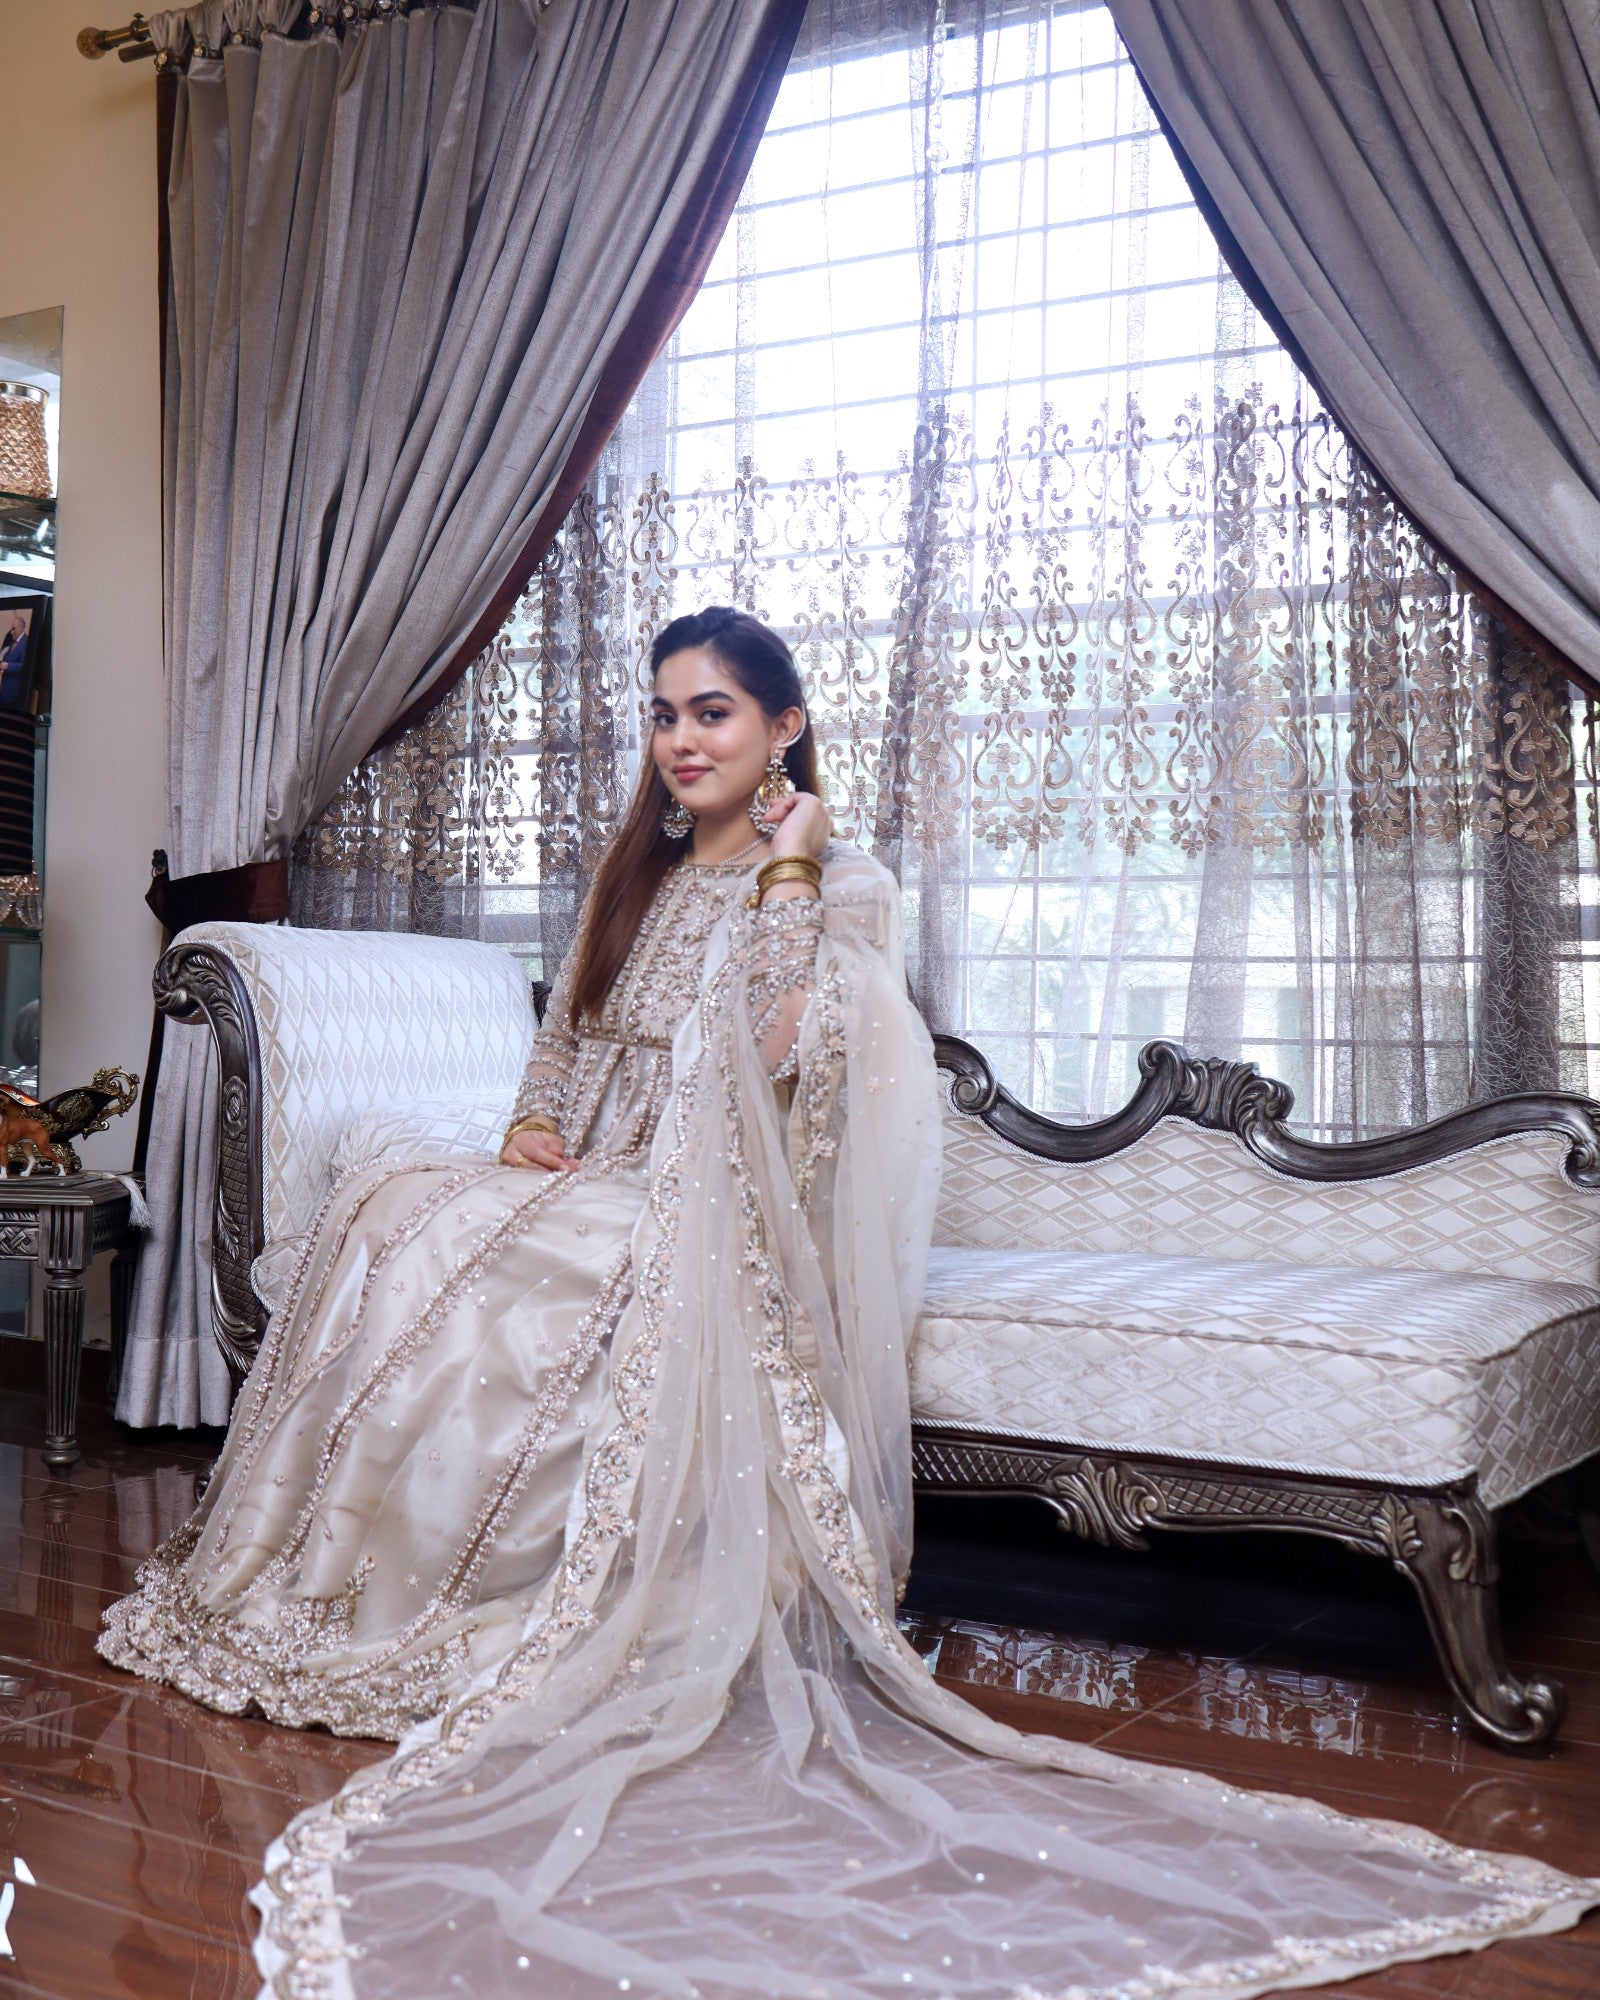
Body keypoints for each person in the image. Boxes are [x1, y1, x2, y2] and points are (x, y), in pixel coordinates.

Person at [102, 609, 1597, 1999]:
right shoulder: (636, 871)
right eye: (665, 718)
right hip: (600, 1169)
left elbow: (780, 1059)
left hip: (714, 1201)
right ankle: (340, 1580)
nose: (685, 742)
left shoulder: (840, 880)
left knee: (492, 1252)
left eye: (717, 716)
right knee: (405, 1203)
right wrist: (531, 1125)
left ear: (785, 728)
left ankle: (472, 1594)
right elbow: (564, 1032)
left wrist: (797, 869)